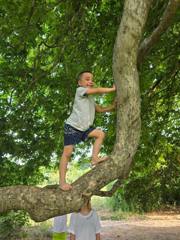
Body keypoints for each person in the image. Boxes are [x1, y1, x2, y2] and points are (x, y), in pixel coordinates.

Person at [60, 71, 116, 190]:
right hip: (73, 127)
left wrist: (112, 107)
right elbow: (97, 90)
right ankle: (62, 182)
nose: (90, 81)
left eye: (91, 79)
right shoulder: (80, 91)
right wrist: (112, 89)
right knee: (67, 153)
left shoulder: (90, 98)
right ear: (80, 83)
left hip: (85, 128)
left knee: (100, 134)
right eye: (87, 79)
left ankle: (94, 158)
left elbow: (99, 109)